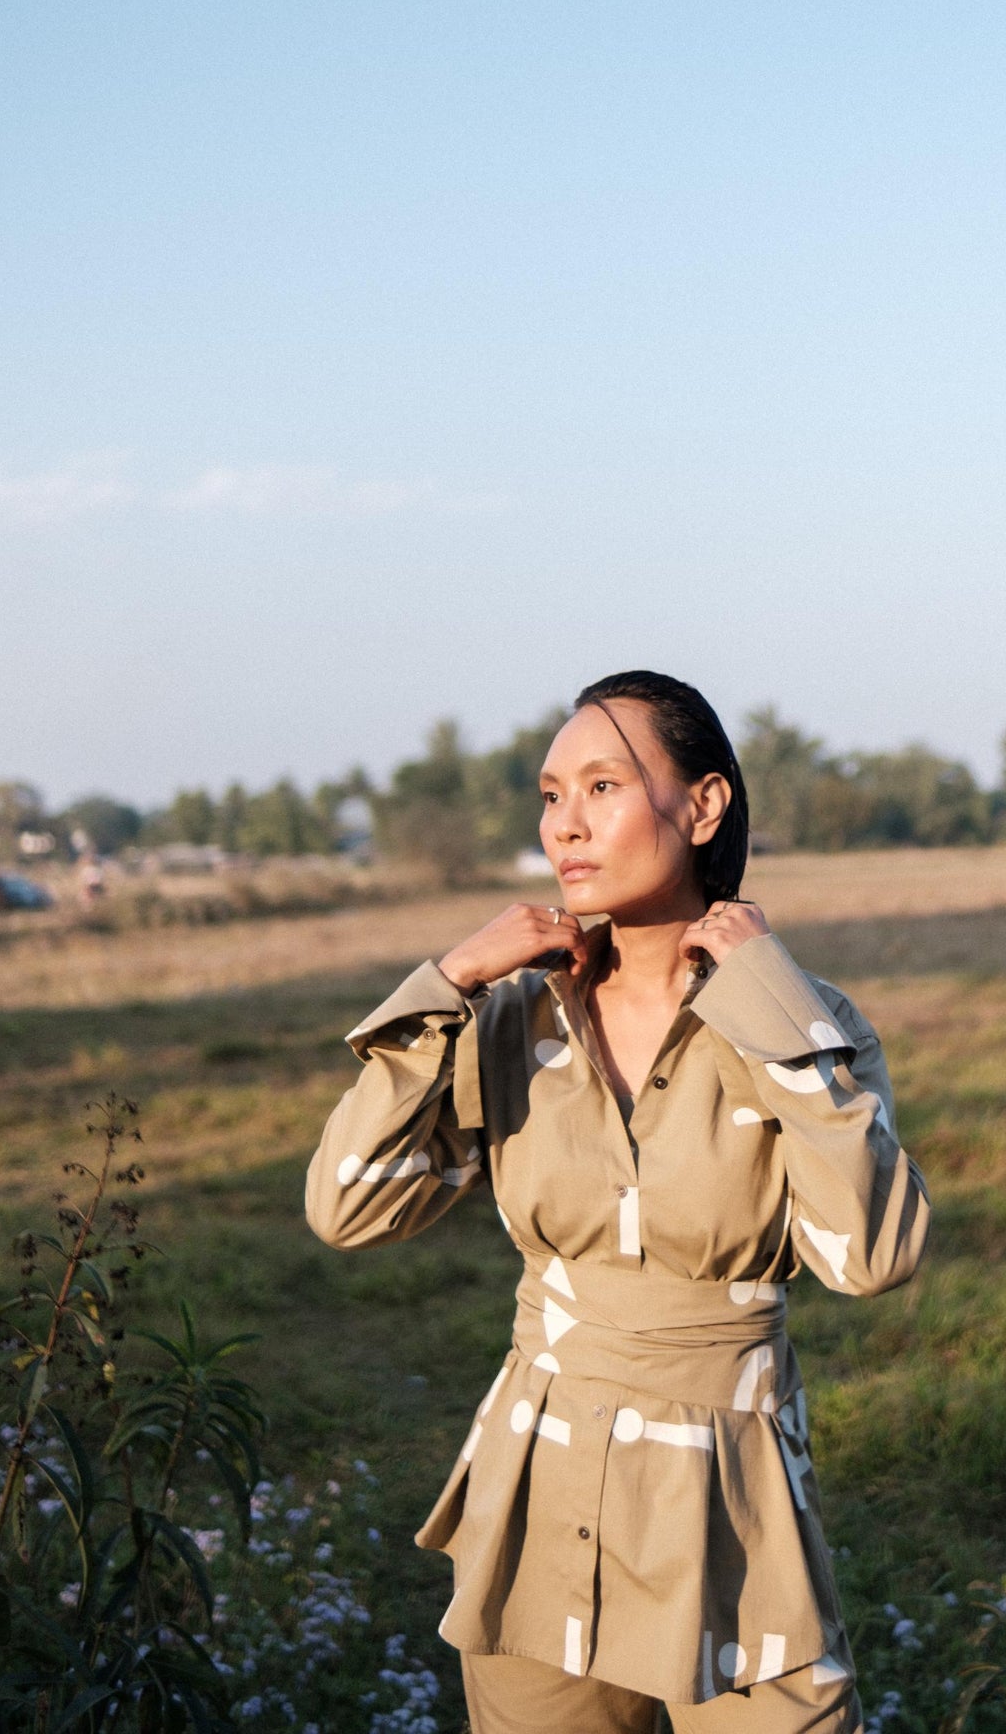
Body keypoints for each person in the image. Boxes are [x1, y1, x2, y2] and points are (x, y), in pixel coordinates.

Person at [306, 670, 930, 1733]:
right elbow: (349, 1205)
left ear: (701, 805)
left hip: (733, 1511)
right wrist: (449, 979)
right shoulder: (509, 1021)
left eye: (602, 783)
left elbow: (869, 1251)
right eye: (550, 794)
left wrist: (765, 1001)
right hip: (540, 1494)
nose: (566, 824)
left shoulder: (801, 1020)